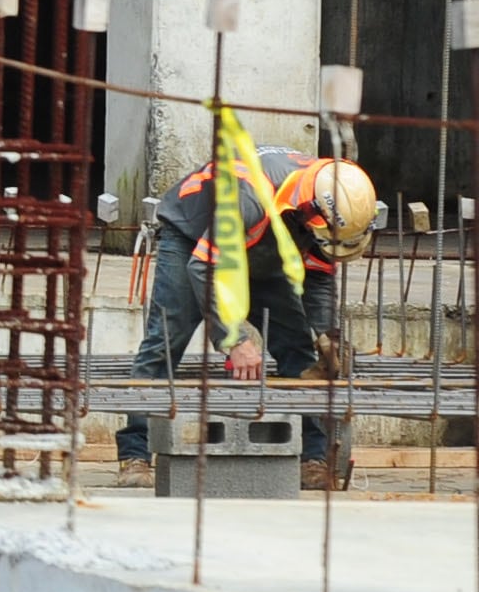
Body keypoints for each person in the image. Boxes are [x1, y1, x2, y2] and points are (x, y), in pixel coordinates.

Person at [112, 142, 381, 487]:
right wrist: (234, 338)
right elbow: (203, 268)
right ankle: (135, 455)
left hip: (261, 242)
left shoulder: (332, 201)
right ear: (313, 211)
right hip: (192, 239)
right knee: (166, 340)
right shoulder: (251, 195)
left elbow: (318, 275)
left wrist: (327, 334)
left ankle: (313, 459)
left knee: (300, 349)